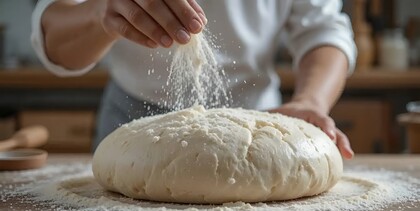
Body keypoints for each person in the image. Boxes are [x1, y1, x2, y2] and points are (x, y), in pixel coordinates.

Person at [31, 0, 357, 159]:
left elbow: (323, 29)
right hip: (131, 124)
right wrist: (101, 11)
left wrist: (310, 101)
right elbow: (53, 35)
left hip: (260, 129)